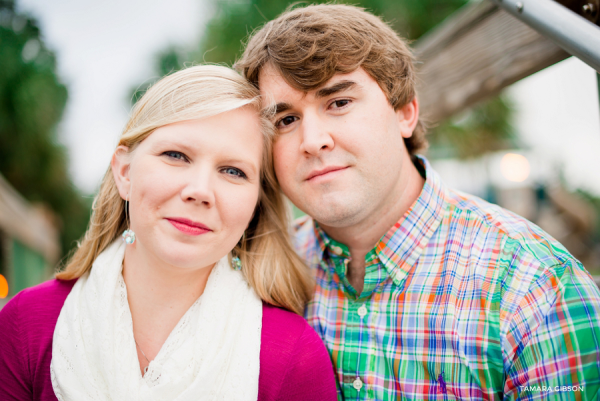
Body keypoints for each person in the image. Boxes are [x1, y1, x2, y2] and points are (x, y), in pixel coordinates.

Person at [236, 4, 600, 400]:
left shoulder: (536, 287)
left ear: (405, 112)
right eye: (286, 120)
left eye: (338, 102)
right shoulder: (254, 276)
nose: (312, 140)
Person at [0, 65, 337, 401]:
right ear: (125, 171)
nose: (200, 190)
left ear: (255, 206)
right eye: (176, 155)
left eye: (233, 171)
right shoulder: (23, 325)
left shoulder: (295, 358)